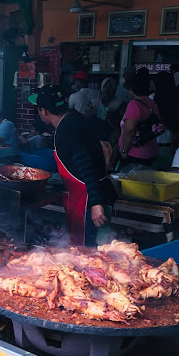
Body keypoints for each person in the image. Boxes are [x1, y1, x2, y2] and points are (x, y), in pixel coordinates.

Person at [29, 86, 116, 246]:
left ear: (44, 111)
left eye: (38, 109)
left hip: (90, 199)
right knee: (95, 249)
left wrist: (96, 203)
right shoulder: (75, 118)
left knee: (88, 252)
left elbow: (85, 164)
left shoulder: (65, 130)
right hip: (99, 191)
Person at [118, 75, 162, 167]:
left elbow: (130, 129)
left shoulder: (134, 104)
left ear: (131, 89)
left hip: (135, 153)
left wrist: (124, 151)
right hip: (151, 150)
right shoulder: (152, 103)